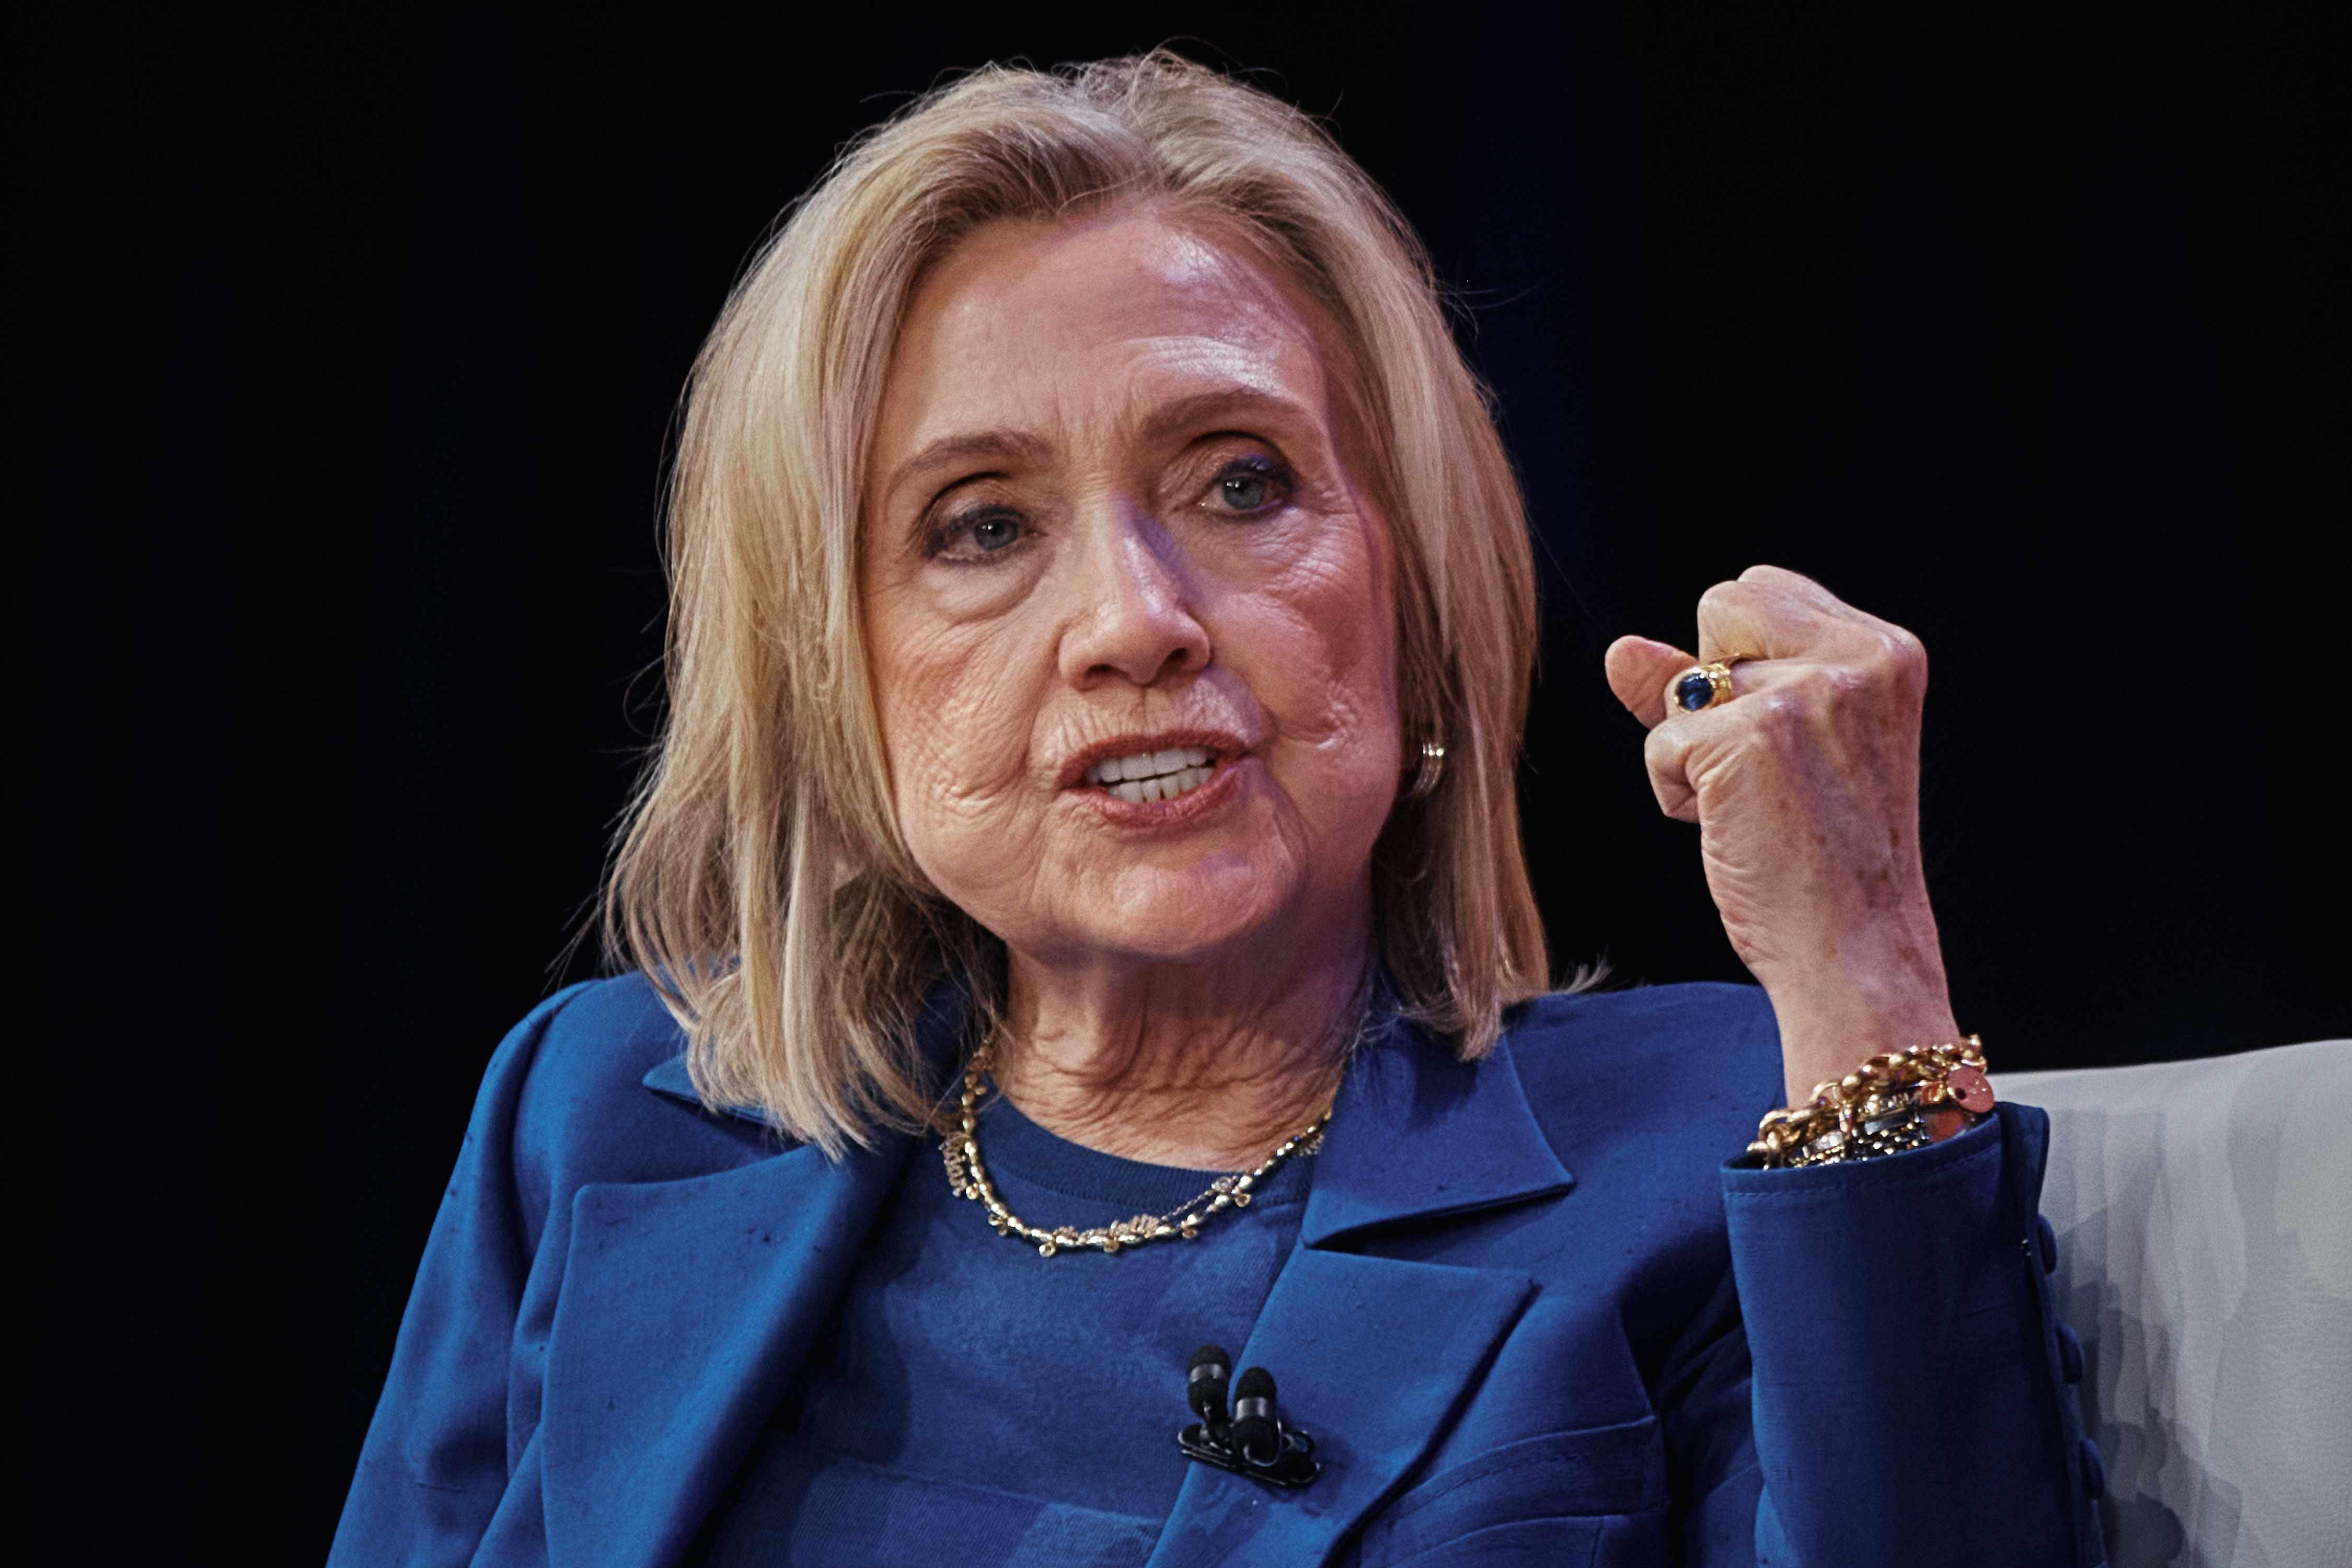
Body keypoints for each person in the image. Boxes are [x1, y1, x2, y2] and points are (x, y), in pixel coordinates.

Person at [330, 54, 2106, 1566]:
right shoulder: (601, 1124)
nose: (1133, 620)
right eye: (980, 526)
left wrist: (1860, 960)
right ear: (830, 669)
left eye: (1240, 482)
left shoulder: (1710, 1146)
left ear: (1407, 587)